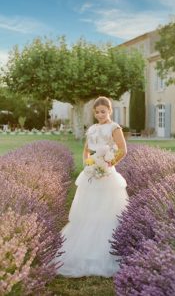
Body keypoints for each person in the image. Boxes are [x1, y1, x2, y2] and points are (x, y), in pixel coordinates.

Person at [55, 96, 128, 277]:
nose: (100, 115)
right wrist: (88, 165)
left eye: (103, 111)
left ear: (109, 111)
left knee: (107, 209)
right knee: (89, 208)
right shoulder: (93, 128)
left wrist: (109, 164)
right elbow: (86, 149)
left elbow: (122, 149)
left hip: (107, 172)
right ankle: (84, 247)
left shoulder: (114, 127)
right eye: (97, 112)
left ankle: (107, 249)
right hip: (92, 172)